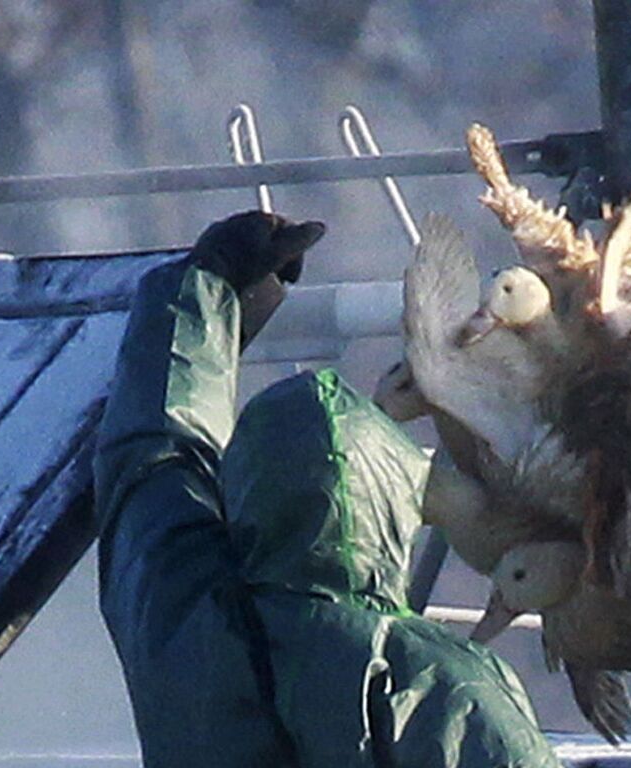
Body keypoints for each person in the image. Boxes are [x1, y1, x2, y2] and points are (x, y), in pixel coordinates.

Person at [93, 210, 561, 768]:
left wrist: (207, 283)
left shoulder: (182, 615)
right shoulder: (442, 688)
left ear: (245, 484)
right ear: (393, 501)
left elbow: (154, 456)